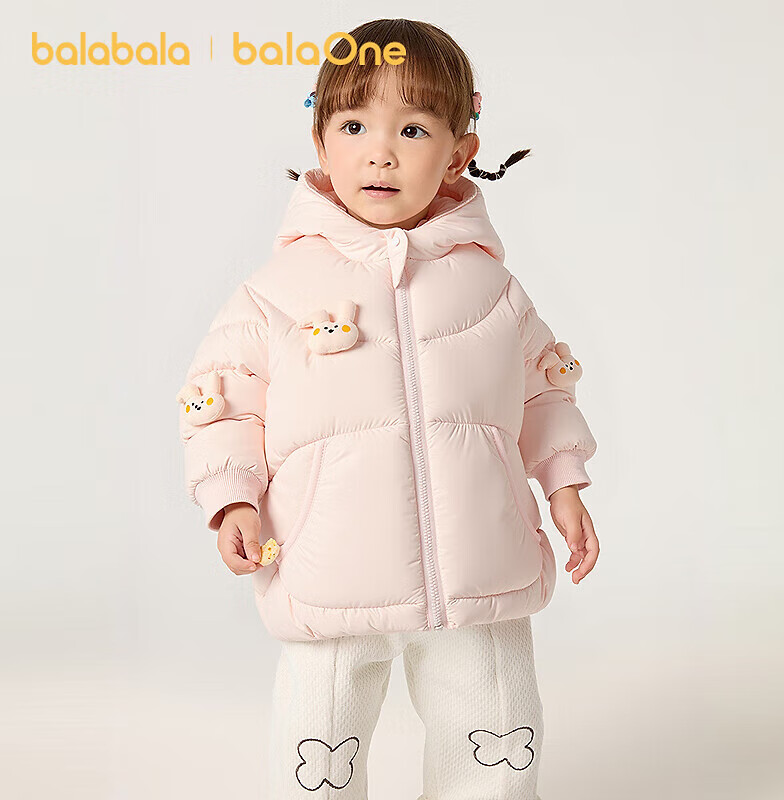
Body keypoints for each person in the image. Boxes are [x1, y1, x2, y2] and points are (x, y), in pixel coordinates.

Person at [176, 18, 599, 800]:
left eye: (412, 129)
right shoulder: (276, 292)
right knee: (318, 753)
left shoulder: (493, 290)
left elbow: (542, 391)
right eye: (354, 126)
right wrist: (231, 496)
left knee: (495, 734)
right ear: (320, 143)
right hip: (328, 569)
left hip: (480, 569)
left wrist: (564, 482)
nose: (380, 152)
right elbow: (223, 403)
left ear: (459, 154)